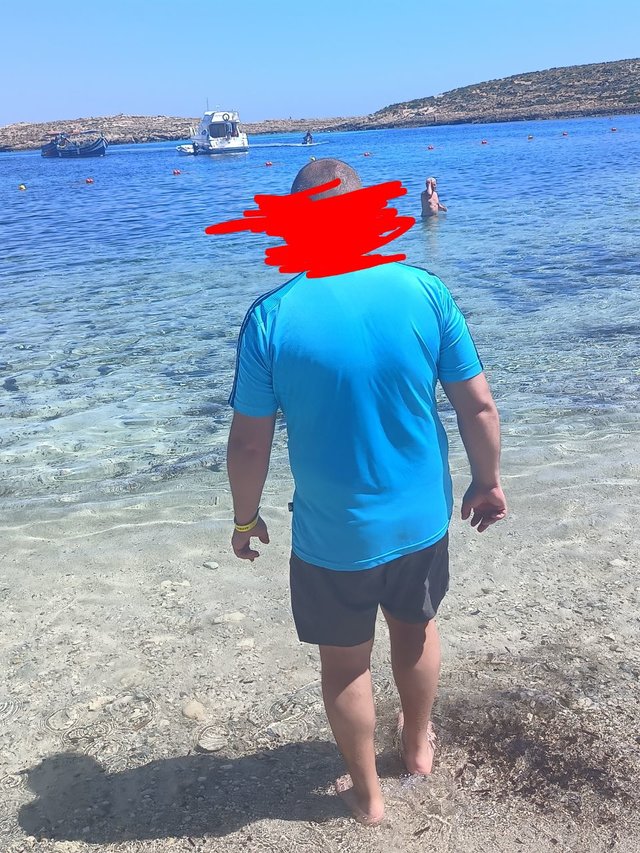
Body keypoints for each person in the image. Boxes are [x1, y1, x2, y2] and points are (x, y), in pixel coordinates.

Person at [226, 158, 506, 826]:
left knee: (345, 663)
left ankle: (368, 797)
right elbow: (477, 406)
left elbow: (249, 446)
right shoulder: (424, 291)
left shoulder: (271, 318)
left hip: (334, 534)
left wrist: (244, 518)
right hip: (419, 519)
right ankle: (417, 747)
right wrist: (487, 480)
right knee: (416, 630)